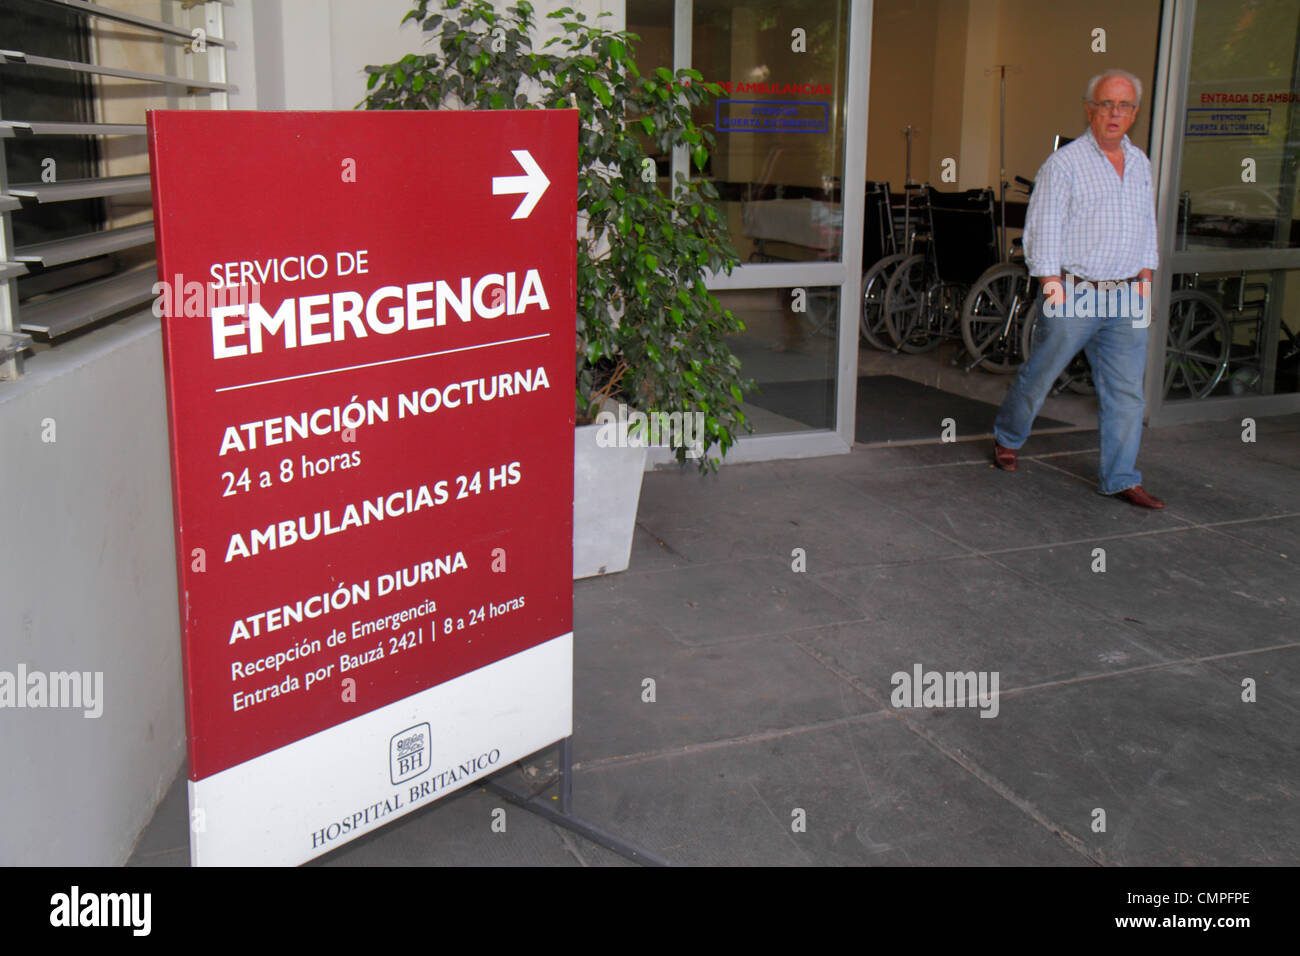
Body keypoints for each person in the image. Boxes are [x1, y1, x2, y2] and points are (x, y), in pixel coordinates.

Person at [992, 69, 1164, 509]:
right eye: (1106, 103)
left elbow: (1147, 227)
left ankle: (1120, 477)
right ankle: (1008, 437)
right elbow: (1042, 228)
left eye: (1124, 106)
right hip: (1075, 292)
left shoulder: (1141, 163)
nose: (1114, 113)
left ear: (1135, 113)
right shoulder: (1064, 164)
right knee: (1042, 373)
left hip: (1128, 295)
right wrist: (1052, 286)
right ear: (1090, 108)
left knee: (1126, 392)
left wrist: (1145, 280)